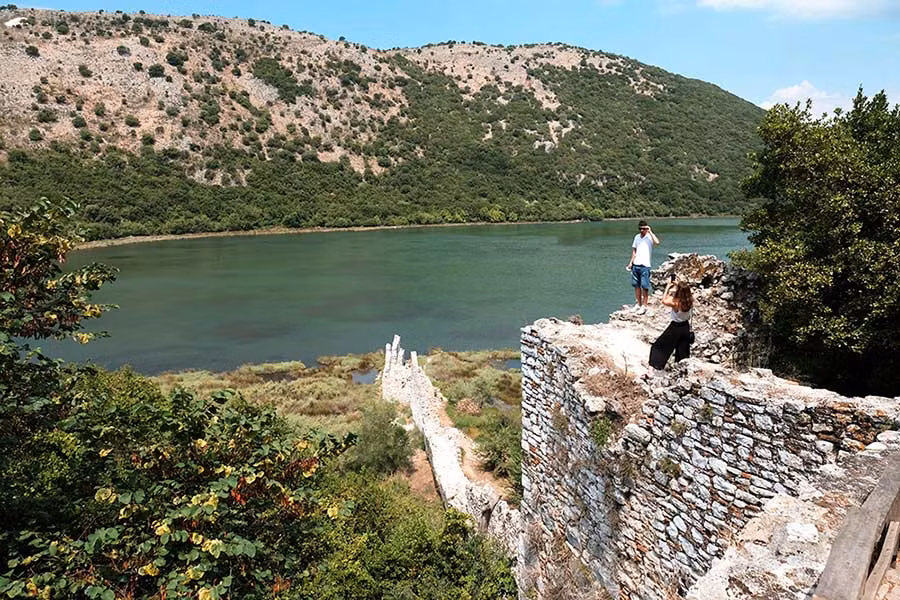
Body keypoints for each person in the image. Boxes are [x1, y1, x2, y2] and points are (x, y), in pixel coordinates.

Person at [649, 278, 694, 371]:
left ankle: (654, 366)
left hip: (675, 327)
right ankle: (682, 369)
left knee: (659, 346)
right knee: (682, 350)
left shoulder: (676, 302)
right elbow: (684, 290)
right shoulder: (690, 300)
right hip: (685, 327)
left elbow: (664, 300)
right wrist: (678, 284)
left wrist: (668, 288)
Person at [626, 220, 660, 314]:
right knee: (636, 286)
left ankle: (644, 306)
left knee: (645, 286)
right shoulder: (637, 237)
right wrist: (631, 263)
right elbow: (634, 251)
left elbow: (657, 242)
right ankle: (638, 304)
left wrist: (650, 232)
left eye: (644, 228)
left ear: (647, 228)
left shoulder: (649, 237)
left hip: (645, 266)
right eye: (640, 228)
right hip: (636, 265)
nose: (642, 230)